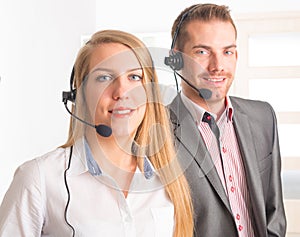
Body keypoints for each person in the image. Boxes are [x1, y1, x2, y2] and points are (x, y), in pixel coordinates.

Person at [0, 30, 193, 236]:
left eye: (134, 77)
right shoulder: (40, 178)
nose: (121, 92)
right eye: (104, 77)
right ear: (80, 92)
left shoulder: (167, 180)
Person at [166, 3, 287, 237]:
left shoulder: (263, 117)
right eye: (202, 52)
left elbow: (273, 211)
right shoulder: (155, 129)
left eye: (227, 52)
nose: (218, 66)